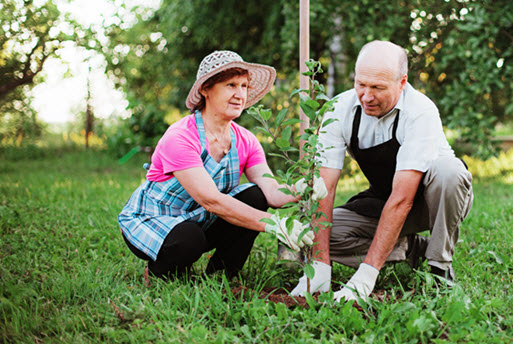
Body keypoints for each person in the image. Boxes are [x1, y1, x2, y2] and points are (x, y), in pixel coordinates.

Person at [290, 40, 474, 301]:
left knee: (449, 173)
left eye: (377, 87)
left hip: (435, 203)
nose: (366, 96)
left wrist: (366, 275)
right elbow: (324, 187)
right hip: (383, 199)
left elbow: (403, 199)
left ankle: (439, 267)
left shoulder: (420, 112)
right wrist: (319, 264)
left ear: (402, 82)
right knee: (306, 235)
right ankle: (410, 249)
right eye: (360, 84)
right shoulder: (339, 110)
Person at [118, 50, 315, 280]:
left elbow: (270, 191)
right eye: (231, 85)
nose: (240, 94)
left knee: (255, 196)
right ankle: (159, 272)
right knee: (189, 239)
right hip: (152, 219)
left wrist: (300, 189)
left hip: (199, 217)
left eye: (244, 86)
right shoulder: (181, 137)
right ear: (205, 89)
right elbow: (211, 200)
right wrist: (274, 225)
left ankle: (222, 275)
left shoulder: (246, 140)